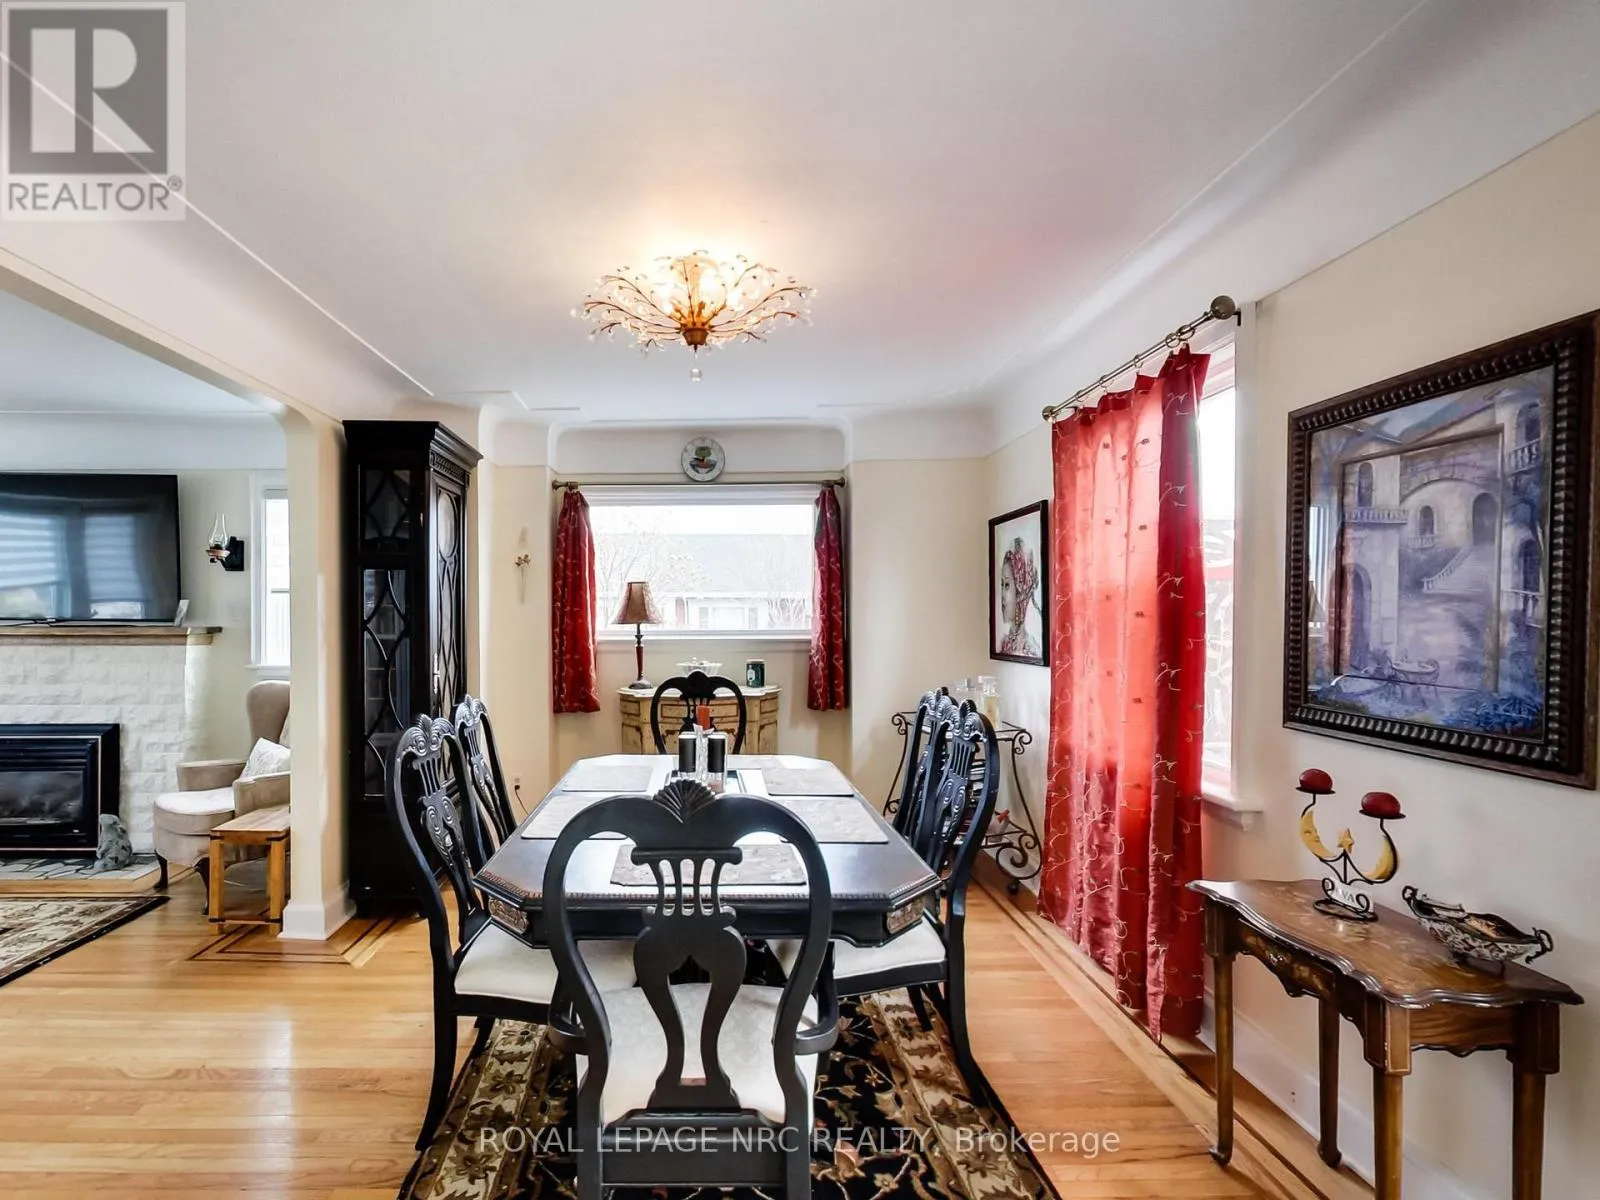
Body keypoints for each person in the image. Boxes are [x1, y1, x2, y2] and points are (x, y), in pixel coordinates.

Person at [998, 537, 1041, 658]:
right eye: (1002, 584)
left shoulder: (1032, 650)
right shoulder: (1003, 643)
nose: (1002, 594)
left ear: (1020, 591)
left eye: (1007, 585)